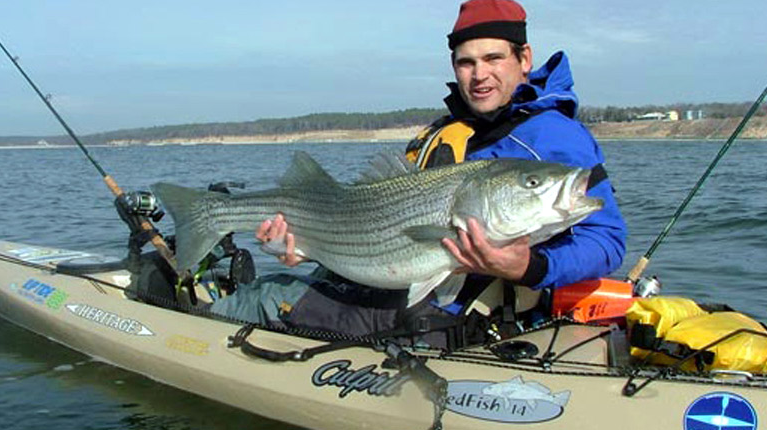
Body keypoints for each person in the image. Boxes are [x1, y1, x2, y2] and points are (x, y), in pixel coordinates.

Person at [211, 0, 626, 345]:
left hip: (451, 320)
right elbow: (369, 226)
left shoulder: (554, 135)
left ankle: (184, 337)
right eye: (466, 63)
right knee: (286, 276)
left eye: (493, 58)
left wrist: (528, 267)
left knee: (267, 296)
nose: (479, 75)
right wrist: (300, 245)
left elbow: (607, 240)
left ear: (524, 59)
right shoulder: (448, 130)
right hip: (390, 281)